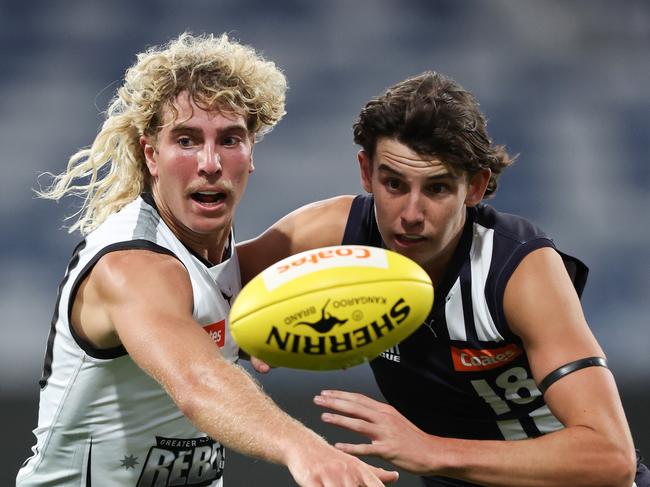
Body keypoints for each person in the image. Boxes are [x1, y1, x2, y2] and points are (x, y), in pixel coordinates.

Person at [16, 33, 399, 487]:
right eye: (187, 140)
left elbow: (359, 218)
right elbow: (197, 382)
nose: (211, 163)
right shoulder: (132, 267)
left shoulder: (232, 262)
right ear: (151, 155)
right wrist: (304, 447)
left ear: (251, 154)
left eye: (231, 139)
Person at [237, 71, 650, 486]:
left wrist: (429, 449)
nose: (411, 214)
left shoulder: (519, 270)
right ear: (366, 172)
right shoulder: (333, 232)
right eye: (393, 183)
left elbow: (610, 457)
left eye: (436, 188)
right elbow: (199, 289)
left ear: (475, 187)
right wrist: (247, 325)